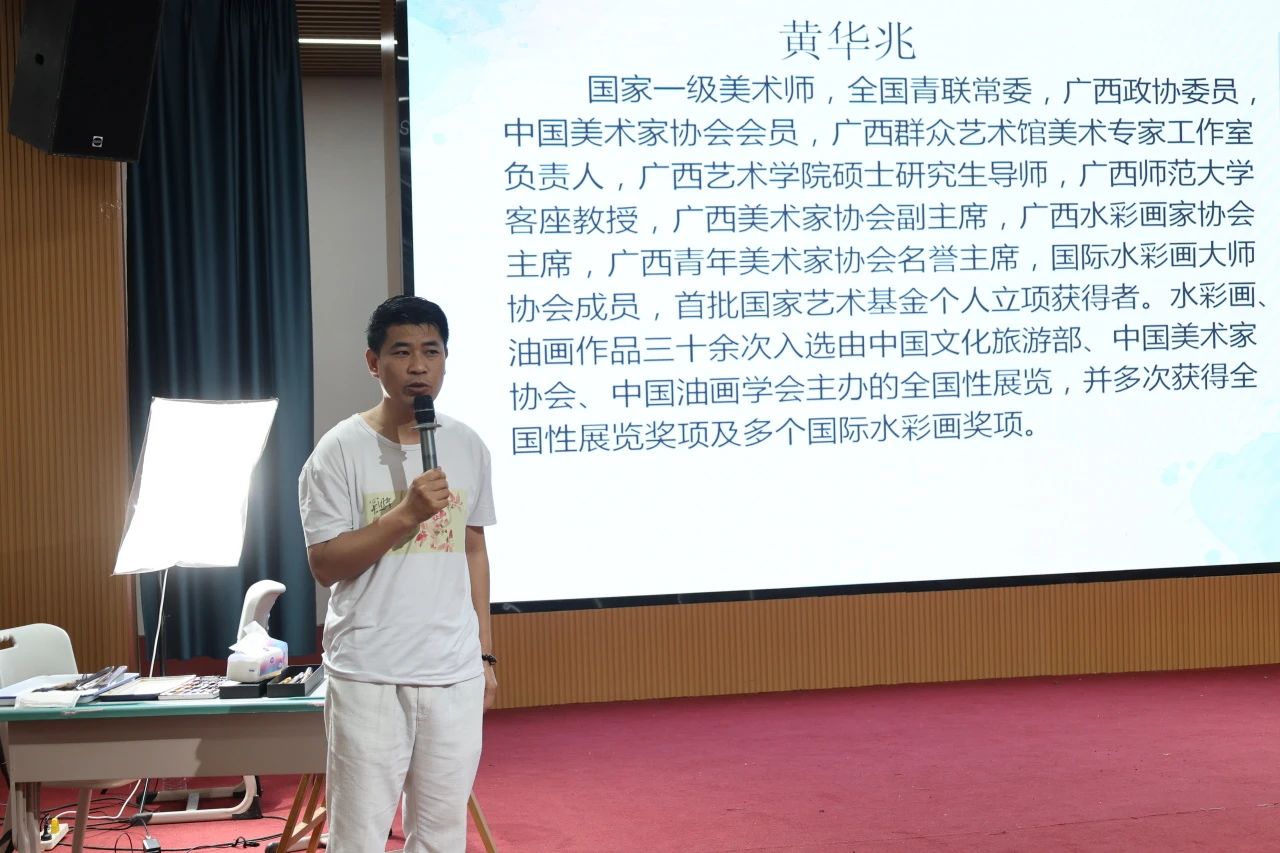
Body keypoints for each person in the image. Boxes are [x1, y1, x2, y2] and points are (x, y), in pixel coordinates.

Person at [297, 294, 498, 853]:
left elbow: (473, 549)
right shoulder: (339, 450)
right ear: (373, 362)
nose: (418, 366)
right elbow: (325, 563)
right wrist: (405, 514)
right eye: (402, 352)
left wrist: (484, 656)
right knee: (358, 837)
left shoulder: (467, 444)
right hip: (370, 671)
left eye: (431, 352)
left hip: (453, 671)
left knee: (441, 836)